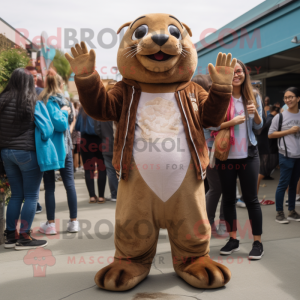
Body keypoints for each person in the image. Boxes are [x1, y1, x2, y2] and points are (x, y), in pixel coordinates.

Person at [215, 60, 264, 260]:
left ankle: (257, 243)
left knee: (251, 199)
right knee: (228, 199)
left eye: (240, 71)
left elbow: (259, 128)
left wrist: (256, 115)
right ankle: (233, 239)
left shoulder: (254, 96)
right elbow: (209, 126)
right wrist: (231, 122)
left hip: (249, 155)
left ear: (245, 74)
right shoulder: (220, 98)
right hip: (225, 156)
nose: (236, 75)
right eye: (232, 72)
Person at [0, 68, 48, 249]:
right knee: (30, 196)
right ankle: (25, 237)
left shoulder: (1, 100)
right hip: (28, 153)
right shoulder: (31, 101)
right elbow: (47, 130)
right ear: (28, 83)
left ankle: (11, 236)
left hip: (6, 153)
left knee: (16, 195)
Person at [38, 69, 80, 235]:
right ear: (59, 84)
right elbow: (63, 125)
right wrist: (65, 112)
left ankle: (51, 224)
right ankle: (73, 222)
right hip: (63, 148)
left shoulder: (43, 101)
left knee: (50, 187)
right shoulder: (60, 102)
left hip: (49, 148)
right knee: (69, 184)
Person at [192, 74, 227, 237]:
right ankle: (209, 223)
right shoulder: (205, 105)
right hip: (211, 151)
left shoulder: (192, 103)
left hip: (206, 152)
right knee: (217, 188)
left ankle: (214, 223)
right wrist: (232, 122)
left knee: (214, 188)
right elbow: (213, 125)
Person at [269, 87, 300, 224]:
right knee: (283, 184)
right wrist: (289, 131)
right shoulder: (279, 117)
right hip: (285, 155)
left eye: (291, 97)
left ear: (298, 98)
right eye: (286, 98)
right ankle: (279, 212)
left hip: (298, 156)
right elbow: (271, 134)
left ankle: (292, 211)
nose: (288, 99)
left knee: (293, 184)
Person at [75, 107, 107, 204]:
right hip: (100, 139)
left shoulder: (83, 109)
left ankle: (92, 196)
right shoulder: (100, 108)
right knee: (101, 167)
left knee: (89, 168)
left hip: (85, 140)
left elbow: (77, 126)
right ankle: (101, 196)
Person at [94, 81, 119, 202]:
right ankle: (124, 195)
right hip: (120, 145)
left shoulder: (102, 107)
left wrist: (104, 137)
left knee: (110, 170)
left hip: (106, 144)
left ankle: (115, 195)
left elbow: (97, 128)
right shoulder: (121, 105)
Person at [25, 66, 44, 213]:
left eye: (36, 76)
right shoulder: (20, 93)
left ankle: (35, 202)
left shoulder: (40, 93)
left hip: (35, 143)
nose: (34, 78)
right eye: (31, 76)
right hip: (27, 145)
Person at [257, 105, 280, 205]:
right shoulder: (272, 120)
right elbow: (268, 135)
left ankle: (293, 197)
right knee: (260, 174)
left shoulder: (269, 118)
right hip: (269, 149)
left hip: (268, 149)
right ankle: (249, 197)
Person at [71, 101, 82, 172]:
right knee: (77, 151)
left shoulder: (72, 112)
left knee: (72, 150)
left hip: (72, 134)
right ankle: (78, 166)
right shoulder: (78, 112)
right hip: (78, 134)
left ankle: (73, 166)